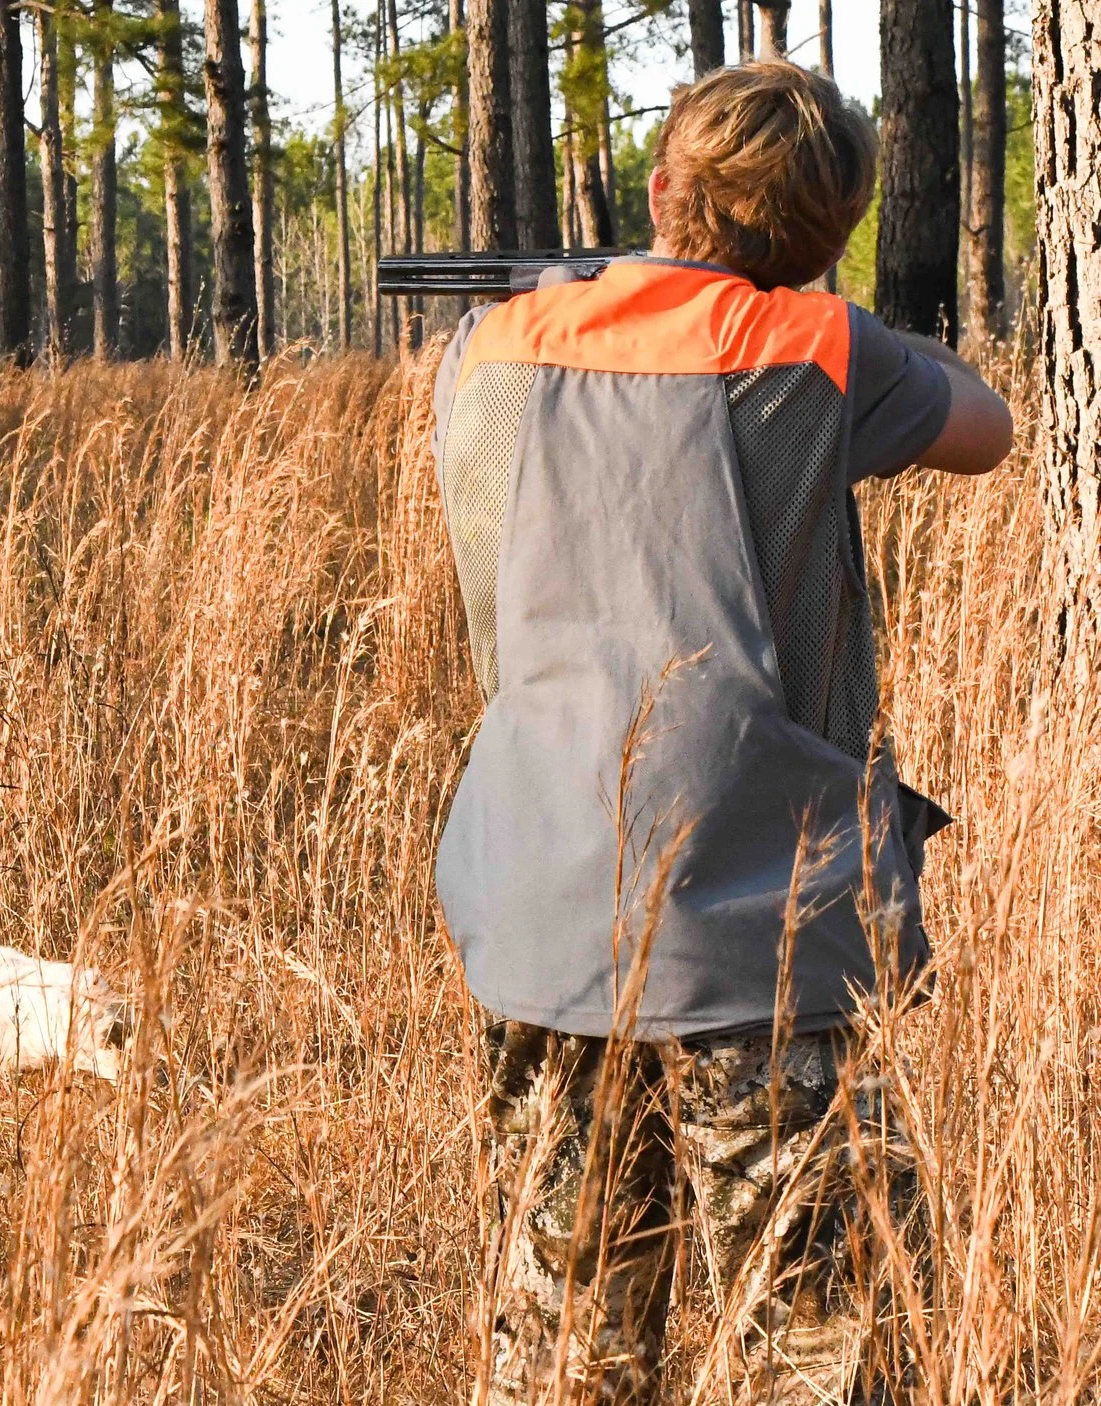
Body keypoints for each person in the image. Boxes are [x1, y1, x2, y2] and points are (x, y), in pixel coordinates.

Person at [426, 60, 1013, 1405]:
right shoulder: (817, 351)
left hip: (539, 897)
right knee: (817, 1340)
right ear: (825, 235)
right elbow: (985, 427)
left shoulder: (489, 344)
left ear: (660, 190)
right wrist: (823, 311)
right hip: (762, 913)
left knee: (563, 1338)